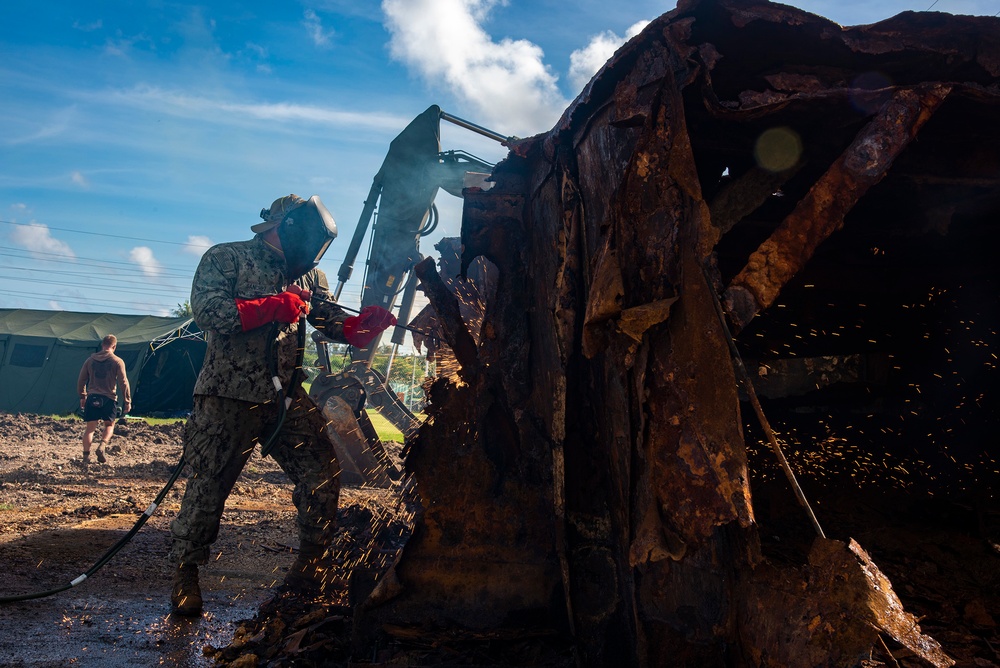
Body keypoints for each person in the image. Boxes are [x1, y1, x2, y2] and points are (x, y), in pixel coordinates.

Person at [169, 194, 397, 617]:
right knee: (208, 487)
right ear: (286, 226)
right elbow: (208, 312)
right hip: (227, 396)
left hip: (286, 397)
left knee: (322, 473)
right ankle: (186, 575)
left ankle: (310, 565)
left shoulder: (311, 276)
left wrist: (362, 328)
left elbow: (330, 321)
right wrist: (272, 306)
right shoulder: (227, 258)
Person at [76, 334, 132, 465]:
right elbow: (123, 382)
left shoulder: (90, 360)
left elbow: (81, 379)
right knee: (109, 425)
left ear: (102, 345)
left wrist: (82, 396)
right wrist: (127, 401)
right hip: (109, 398)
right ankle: (102, 445)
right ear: (114, 346)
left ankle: (85, 456)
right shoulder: (117, 361)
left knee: (90, 429)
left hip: (92, 397)